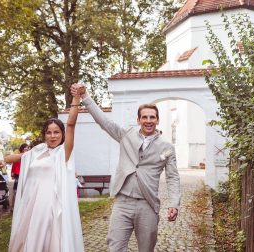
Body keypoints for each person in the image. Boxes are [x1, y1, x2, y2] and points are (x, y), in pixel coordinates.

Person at [71, 84, 181, 252]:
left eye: (152, 117)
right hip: (122, 203)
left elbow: (173, 177)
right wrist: (85, 96)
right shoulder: (126, 135)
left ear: (157, 120)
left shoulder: (167, 147)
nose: (148, 121)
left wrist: (174, 203)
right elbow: (104, 121)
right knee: (115, 247)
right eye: (144, 117)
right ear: (138, 120)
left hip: (148, 204)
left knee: (146, 248)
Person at [0, 89, 84, 252]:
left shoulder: (64, 152)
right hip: (31, 204)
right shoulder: (39, 150)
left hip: (50, 206)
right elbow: (19, 157)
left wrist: (76, 97)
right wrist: (1, 161)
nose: (52, 136)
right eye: (49, 132)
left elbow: (71, 123)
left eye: (56, 132)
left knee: (49, 242)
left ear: (62, 134)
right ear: (44, 135)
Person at [10, 143, 29, 211]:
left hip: (25, 175)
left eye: (27, 148)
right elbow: (14, 164)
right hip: (18, 175)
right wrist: (12, 173)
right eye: (25, 148)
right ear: (22, 148)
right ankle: (13, 207)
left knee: (24, 191)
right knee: (15, 191)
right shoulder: (18, 155)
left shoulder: (28, 156)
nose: (26, 149)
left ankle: (22, 207)